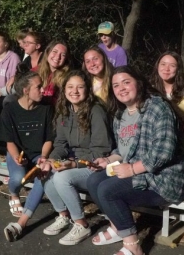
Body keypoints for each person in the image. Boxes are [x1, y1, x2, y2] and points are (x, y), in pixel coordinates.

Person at [86, 66, 184, 255]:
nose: (121, 88)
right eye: (116, 85)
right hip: (138, 172)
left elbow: (164, 152)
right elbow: (122, 150)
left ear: (138, 84)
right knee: (93, 181)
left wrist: (132, 169)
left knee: (108, 191)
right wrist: (108, 160)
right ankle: (118, 227)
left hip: (162, 178)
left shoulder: (157, 108)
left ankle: (133, 246)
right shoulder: (120, 115)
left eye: (126, 82)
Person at [43, 70, 113, 245]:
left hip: (94, 165)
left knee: (61, 178)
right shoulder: (64, 111)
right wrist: (51, 159)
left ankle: (82, 224)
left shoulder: (96, 111)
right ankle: (63, 216)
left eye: (80, 87)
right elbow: (60, 144)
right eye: (70, 87)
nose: (75, 91)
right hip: (73, 162)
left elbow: (102, 150)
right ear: (64, 89)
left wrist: (73, 164)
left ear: (87, 90)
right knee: (44, 172)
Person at [0, 71, 54, 242]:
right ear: (26, 90)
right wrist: (16, 157)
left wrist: (44, 157)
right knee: (19, 177)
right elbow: (9, 141)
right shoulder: (9, 110)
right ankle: (13, 193)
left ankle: (23, 221)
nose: (43, 90)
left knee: (44, 174)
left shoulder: (46, 109)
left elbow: (49, 138)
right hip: (18, 152)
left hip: (39, 154)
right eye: (38, 87)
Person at [150, 51, 184, 157]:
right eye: (163, 64)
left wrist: (176, 130)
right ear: (157, 66)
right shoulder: (151, 87)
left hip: (182, 131)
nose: (167, 69)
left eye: (172, 65)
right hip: (158, 131)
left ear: (178, 69)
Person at [37, 39, 70, 105]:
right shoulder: (35, 72)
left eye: (63, 55)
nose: (58, 57)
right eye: (55, 51)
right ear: (47, 52)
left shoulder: (68, 77)